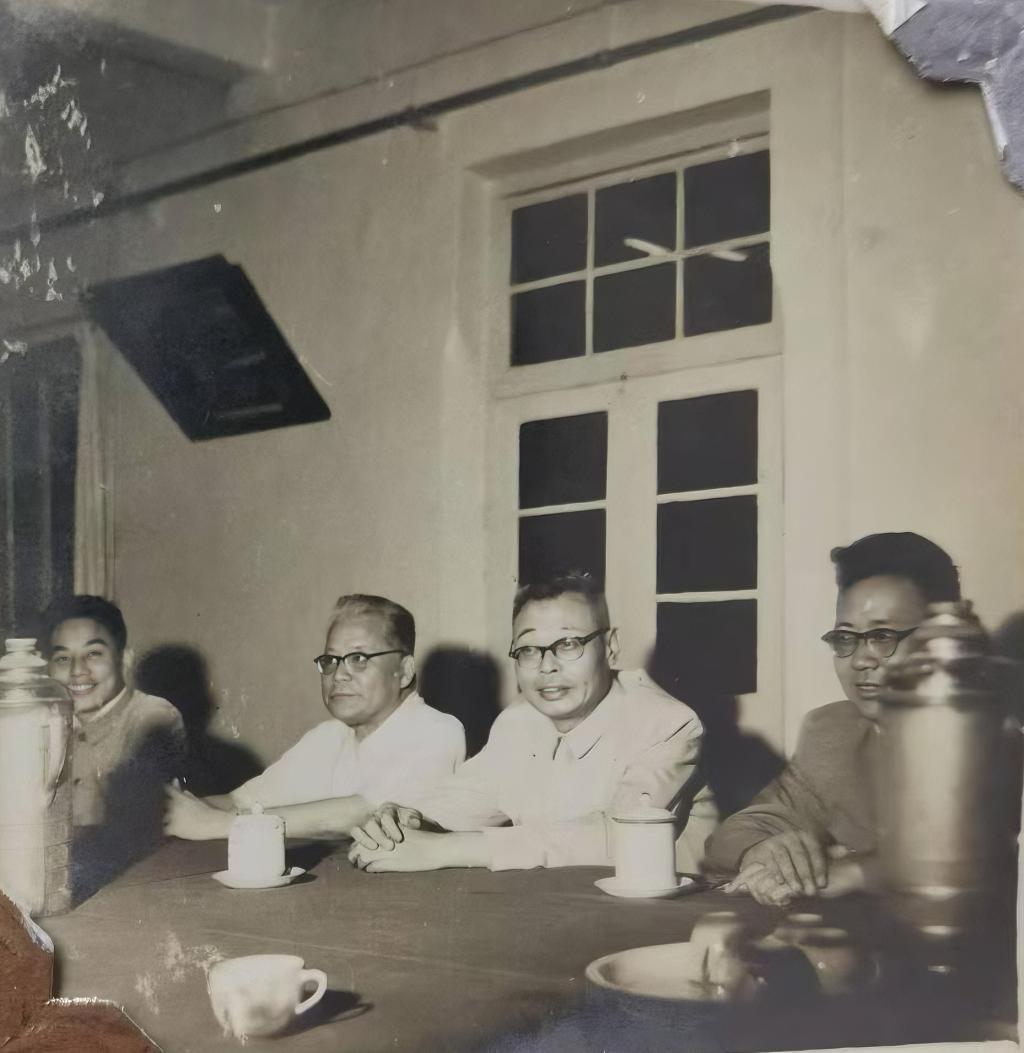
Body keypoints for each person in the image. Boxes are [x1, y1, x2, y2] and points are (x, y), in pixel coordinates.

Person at [348, 573, 717, 873]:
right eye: (528, 650)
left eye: (568, 644)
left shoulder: (667, 723)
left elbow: (622, 837)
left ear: (611, 647)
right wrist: (406, 818)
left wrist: (441, 850)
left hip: (669, 918)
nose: (547, 666)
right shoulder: (520, 720)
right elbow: (467, 797)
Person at [704, 531, 961, 905]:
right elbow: (737, 832)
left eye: (883, 636)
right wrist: (764, 851)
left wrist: (855, 872)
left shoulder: (994, 741)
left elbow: (990, 862)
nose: (860, 660)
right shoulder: (832, 732)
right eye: (845, 638)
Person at [164, 594, 465, 840]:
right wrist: (166, 807)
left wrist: (216, 825)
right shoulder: (328, 736)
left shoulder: (439, 731)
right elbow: (241, 802)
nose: (339, 675)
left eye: (358, 658)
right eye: (330, 660)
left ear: (405, 671)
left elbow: (364, 813)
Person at [41, 594, 186, 891]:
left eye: (93, 654)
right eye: (63, 658)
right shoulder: (45, 720)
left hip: (137, 880)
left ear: (125, 659)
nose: (77, 670)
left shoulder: (152, 717)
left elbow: (128, 826)